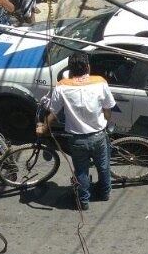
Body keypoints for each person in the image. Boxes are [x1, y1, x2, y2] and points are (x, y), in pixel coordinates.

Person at [36, 52, 117, 210]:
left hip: (77, 140)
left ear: (70, 70)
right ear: (88, 67)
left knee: (81, 171)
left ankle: (83, 201)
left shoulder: (62, 86)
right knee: (103, 167)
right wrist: (106, 120)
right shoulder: (100, 82)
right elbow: (108, 108)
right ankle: (105, 193)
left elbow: (53, 112)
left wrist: (44, 128)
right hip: (99, 136)